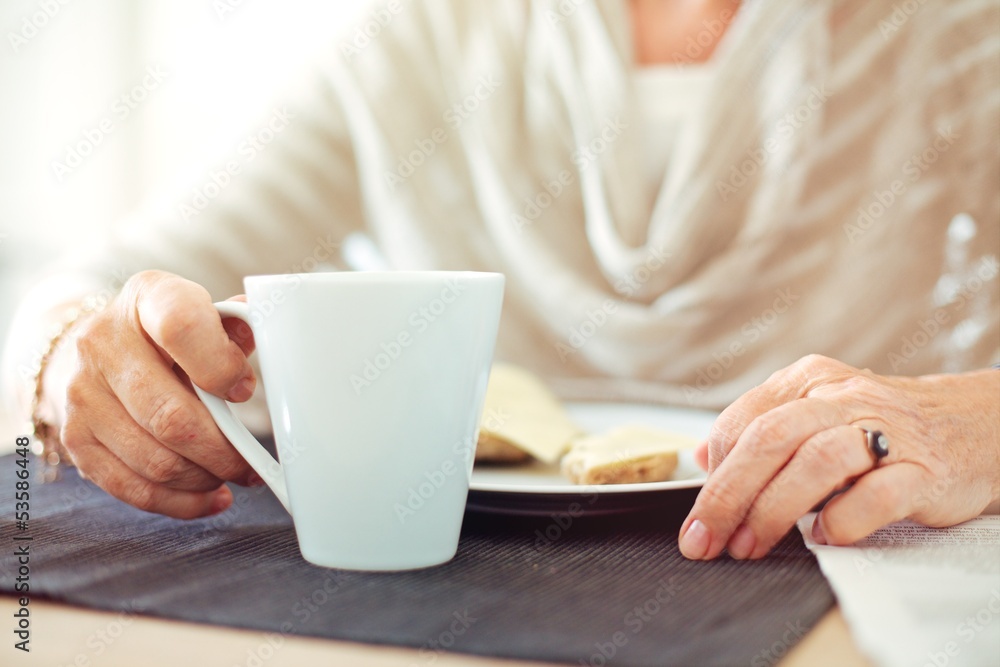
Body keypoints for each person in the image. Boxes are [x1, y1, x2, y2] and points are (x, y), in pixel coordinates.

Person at [2, 0, 998, 561]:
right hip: (452, 583)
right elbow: (85, 288)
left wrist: (977, 420)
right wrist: (66, 357)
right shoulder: (420, 38)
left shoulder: (958, 33)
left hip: (835, 565)